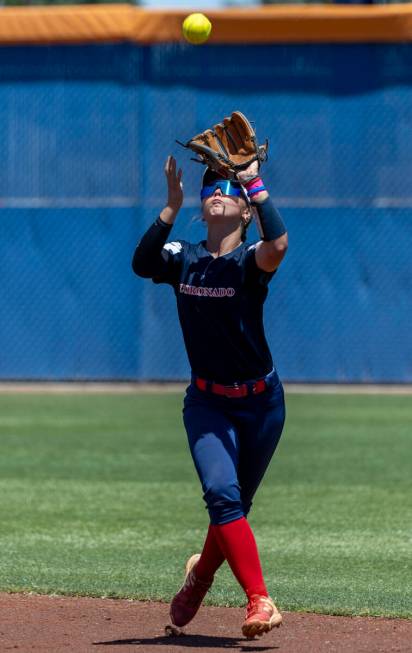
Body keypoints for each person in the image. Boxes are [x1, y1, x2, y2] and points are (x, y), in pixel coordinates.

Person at [132, 154, 288, 639]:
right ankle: (259, 601)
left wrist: (255, 185)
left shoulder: (248, 262)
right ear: (202, 208)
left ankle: (199, 577)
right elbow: (142, 264)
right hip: (207, 403)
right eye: (209, 188)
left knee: (233, 506)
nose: (217, 191)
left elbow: (277, 244)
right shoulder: (184, 257)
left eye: (228, 188)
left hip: (263, 405)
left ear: (245, 212)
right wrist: (171, 206)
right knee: (223, 495)